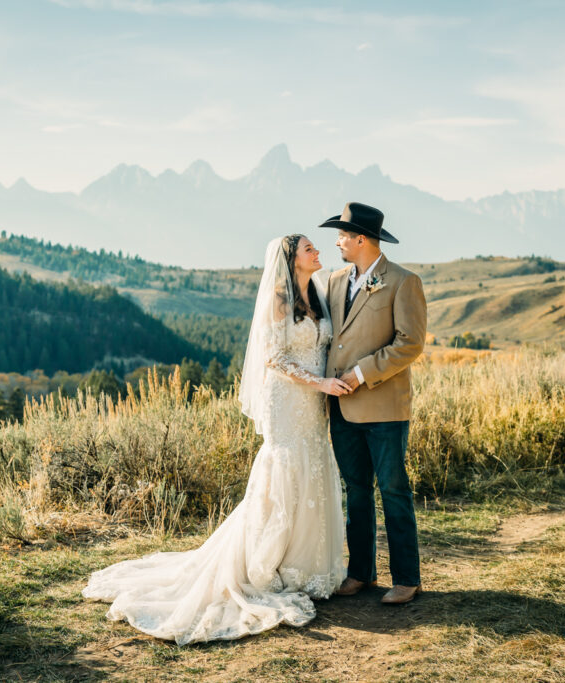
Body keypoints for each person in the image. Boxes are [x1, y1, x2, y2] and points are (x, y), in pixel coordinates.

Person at [82, 234, 349, 644]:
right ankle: (266, 563)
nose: (317, 252)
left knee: (312, 464)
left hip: (314, 404)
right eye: (309, 249)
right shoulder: (279, 299)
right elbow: (274, 358)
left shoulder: (317, 293)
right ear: (290, 260)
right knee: (286, 468)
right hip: (289, 399)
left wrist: (326, 387)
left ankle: (308, 566)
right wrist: (321, 383)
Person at [319, 202, 428, 605]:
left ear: (361, 239)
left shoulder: (402, 282)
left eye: (343, 235)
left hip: (384, 407)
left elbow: (410, 343)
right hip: (341, 407)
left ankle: (406, 579)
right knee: (357, 490)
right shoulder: (333, 281)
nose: (338, 242)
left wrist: (361, 373)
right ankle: (360, 572)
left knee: (394, 489)